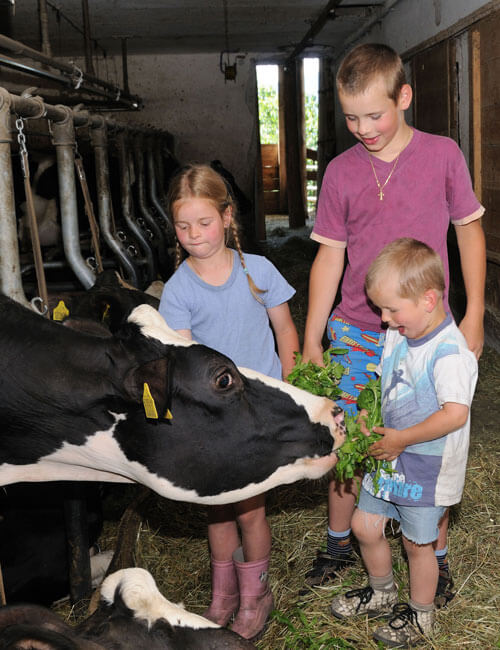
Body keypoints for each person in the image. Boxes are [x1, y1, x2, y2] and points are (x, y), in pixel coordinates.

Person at [302, 42, 486, 605]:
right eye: (351, 118)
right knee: (348, 436)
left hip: (426, 331)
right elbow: (330, 255)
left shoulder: (442, 154)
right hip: (357, 331)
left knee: (427, 439)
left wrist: (474, 312)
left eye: (374, 115)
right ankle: (341, 541)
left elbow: (468, 231)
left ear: (403, 97)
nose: (363, 128)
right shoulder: (340, 171)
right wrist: (312, 337)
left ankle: (436, 552)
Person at [158, 163, 299, 640]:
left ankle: (256, 594)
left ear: (227, 216)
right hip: (212, 418)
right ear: (173, 228)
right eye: (183, 225)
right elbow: (180, 359)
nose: (195, 234)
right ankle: (224, 594)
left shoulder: (257, 272)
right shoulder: (177, 290)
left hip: (257, 413)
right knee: (216, 505)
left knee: (250, 507)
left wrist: (295, 388)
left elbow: (285, 331)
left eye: (204, 222)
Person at [329, 237, 478, 646]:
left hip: (426, 468)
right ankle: (381, 591)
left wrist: (402, 439)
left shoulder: (449, 353)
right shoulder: (399, 334)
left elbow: (455, 414)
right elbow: (381, 384)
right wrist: (366, 418)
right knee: (364, 524)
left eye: (392, 309)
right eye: (381, 308)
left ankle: (421, 614)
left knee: (417, 543)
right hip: (389, 456)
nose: (384, 318)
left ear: (429, 300)